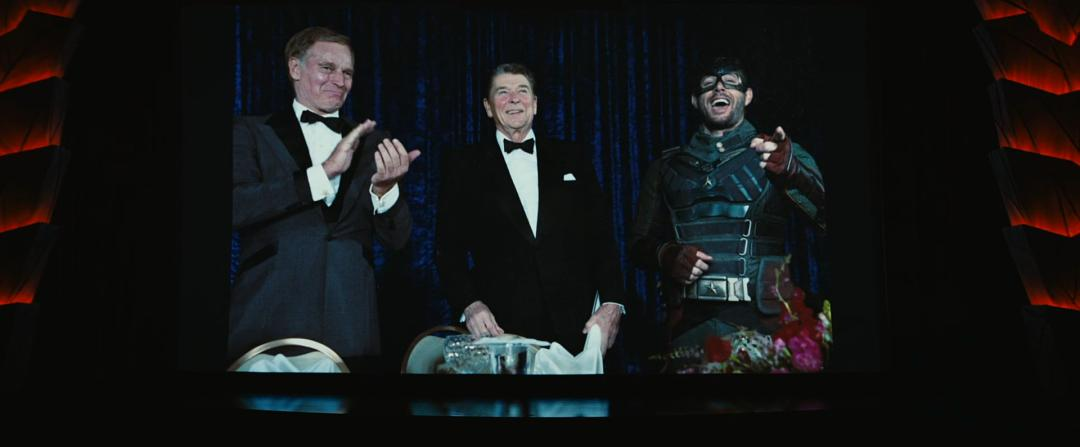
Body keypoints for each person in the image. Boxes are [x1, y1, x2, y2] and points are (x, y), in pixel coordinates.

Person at [230, 26, 420, 369]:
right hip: (270, 313)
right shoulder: (251, 131)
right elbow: (237, 207)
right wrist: (322, 174)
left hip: (350, 319)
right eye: (327, 68)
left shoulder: (374, 143)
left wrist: (385, 191)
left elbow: (399, 241)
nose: (340, 80)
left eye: (347, 72)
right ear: (295, 68)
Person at [629, 56, 826, 352]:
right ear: (695, 100)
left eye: (731, 82)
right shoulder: (666, 166)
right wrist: (665, 254)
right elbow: (637, 245)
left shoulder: (777, 153)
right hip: (687, 326)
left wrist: (794, 172)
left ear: (748, 96)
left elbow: (827, 219)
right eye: (708, 84)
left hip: (766, 325)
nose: (719, 88)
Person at [436, 63, 624, 356]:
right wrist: (470, 304)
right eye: (502, 92)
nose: (514, 99)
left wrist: (612, 303)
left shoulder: (573, 156)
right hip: (502, 332)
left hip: (578, 329)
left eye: (522, 91)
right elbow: (447, 251)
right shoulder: (463, 165)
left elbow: (601, 237)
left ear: (535, 104)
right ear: (488, 107)